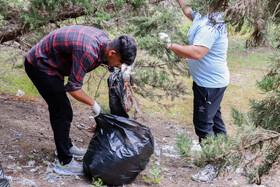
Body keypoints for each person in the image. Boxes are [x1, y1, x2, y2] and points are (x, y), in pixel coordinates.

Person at [24, 25, 137, 175]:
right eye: (118, 63)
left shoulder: (105, 43)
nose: (117, 66)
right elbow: (73, 88)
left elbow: (108, 62)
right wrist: (94, 104)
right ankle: (64, 162)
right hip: (40, 65)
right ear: (113, 53)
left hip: (55, 64)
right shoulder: (87, 51)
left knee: (62, 110)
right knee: (62, 112)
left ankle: (66, 146)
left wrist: (123, 73)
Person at [159, 1, 229, 144]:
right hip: (210, 82)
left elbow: (197, 52)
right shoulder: (205, 15)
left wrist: (170, 45)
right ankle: (223, 156)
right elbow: (188, 11)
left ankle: (212, 163)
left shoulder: (210, 26)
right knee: (215, 120)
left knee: (203, 124)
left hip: (209, 85)